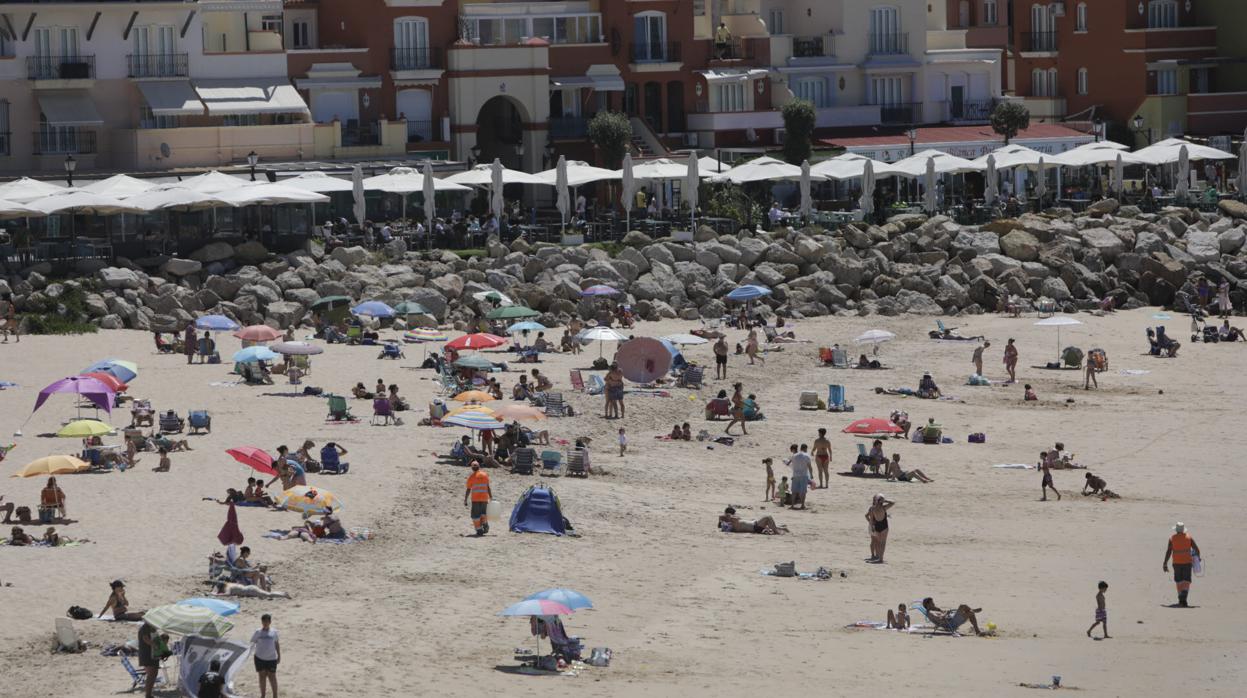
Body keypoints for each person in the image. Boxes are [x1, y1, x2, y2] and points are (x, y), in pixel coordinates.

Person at [1163, 522, 1201, 607]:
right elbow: (1197, 550)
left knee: (1178, 580)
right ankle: (1184, 596)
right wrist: (1197, 558)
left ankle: (1181, 600)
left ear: (1176, 530)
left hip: (1176, 563)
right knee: (1186, 580)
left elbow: (1169, 551)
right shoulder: (1189, 537)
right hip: (1187, 562)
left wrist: (1165, 563)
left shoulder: (1172, 538)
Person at [251, 613, 281, 698]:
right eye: (263, 621)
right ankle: (263, 695)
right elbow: (252, 643)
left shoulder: (274, 632)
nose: (265, 623)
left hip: (271, 658)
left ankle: (275, 695)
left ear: (270, 622)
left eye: (267, 621)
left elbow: (277, 644)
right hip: (259, 658)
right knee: (262, 676)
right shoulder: (258, 632)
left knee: (272, 677)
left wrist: (279, 655)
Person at [464, 461, 492, 536]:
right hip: (484, 498)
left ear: (472, 468)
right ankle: (485, 524)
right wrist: (491, 497)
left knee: (475, 515)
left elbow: (468, 489)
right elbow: (488, 487)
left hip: (475, 499)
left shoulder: (471, 477)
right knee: (483, 513)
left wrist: (465, 500)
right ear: (479, 467)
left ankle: (479, 529)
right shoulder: (485, 475)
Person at [718, 506, 787, 534]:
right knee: (768, 517)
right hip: (755, 526)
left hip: (755, 525)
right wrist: (728, 515)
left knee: (769, 522)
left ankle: (780, 528)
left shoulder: (732, 521)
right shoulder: (733, 520)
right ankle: (776, 532)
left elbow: (721, 518)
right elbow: (721, 517)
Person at [866, 494, 894, 563]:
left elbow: (872, 519)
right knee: (883, 543)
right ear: (881, 501)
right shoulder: (884, 507)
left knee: (878, 542)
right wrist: (885, 500)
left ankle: (878, 557)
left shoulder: (872, 508)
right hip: (884, 526)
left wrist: (872, 527)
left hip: (877, 526)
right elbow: (893, 502)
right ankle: (880, 559)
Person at [786, 443, 813, 510]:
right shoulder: (807, 456)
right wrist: (811, 475)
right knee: (803, 491)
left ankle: (792, 505)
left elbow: (789, 463)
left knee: (794, 491)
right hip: (803, 475)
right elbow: (809, 466)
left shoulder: (794, 455)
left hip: (795, 475)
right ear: (805, 448)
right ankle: (802, 505)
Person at [138, 621, 160, 697]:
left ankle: (149, 694)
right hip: (147, 654)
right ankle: (148, 695)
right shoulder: (145, 627)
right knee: (151, 674)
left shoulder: (151, 628)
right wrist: (155, 645)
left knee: (154, 673)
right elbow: (145, 639)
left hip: (153, 654)